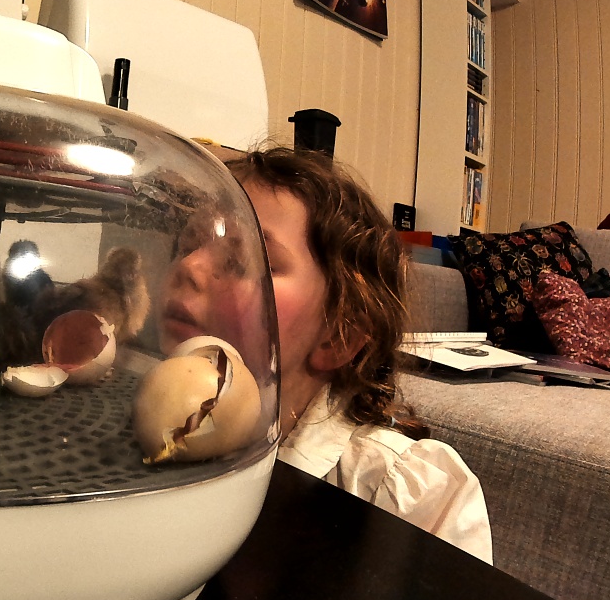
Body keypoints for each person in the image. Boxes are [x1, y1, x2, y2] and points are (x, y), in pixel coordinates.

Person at [160, 144, 493, 563]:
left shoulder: (405, 494)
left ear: (338, 337)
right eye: (187, 244)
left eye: (241, 260)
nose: (188, 266)